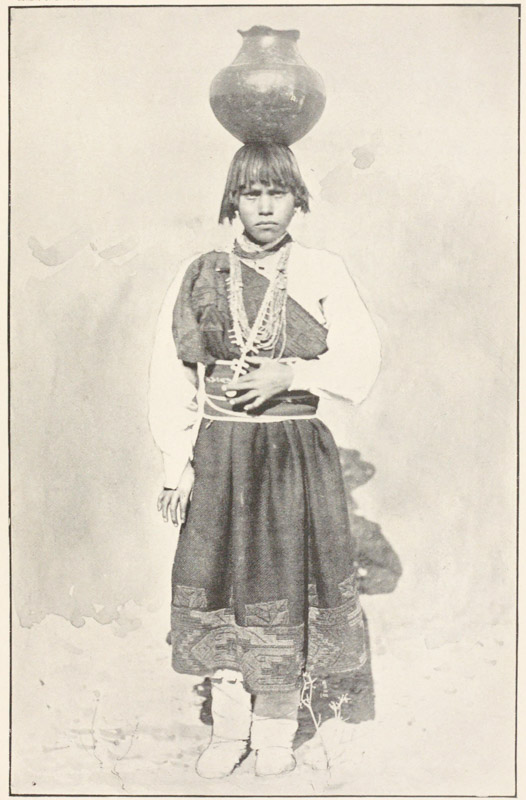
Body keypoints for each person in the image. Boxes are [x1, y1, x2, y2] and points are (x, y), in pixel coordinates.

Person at [148, 143, 381, 779]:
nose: (266, 207)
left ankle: (275, 730)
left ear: (297, 199)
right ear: (233, 203)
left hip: (291, 456)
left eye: (278, 192)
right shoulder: (201, 273)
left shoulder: (323, 269)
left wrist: (293, 373)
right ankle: (228, 730)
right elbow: (171, 374)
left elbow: (362, 360)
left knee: (282, 586)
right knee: (222, 583)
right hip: (222, 452)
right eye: (252, 195)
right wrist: (176, 465)